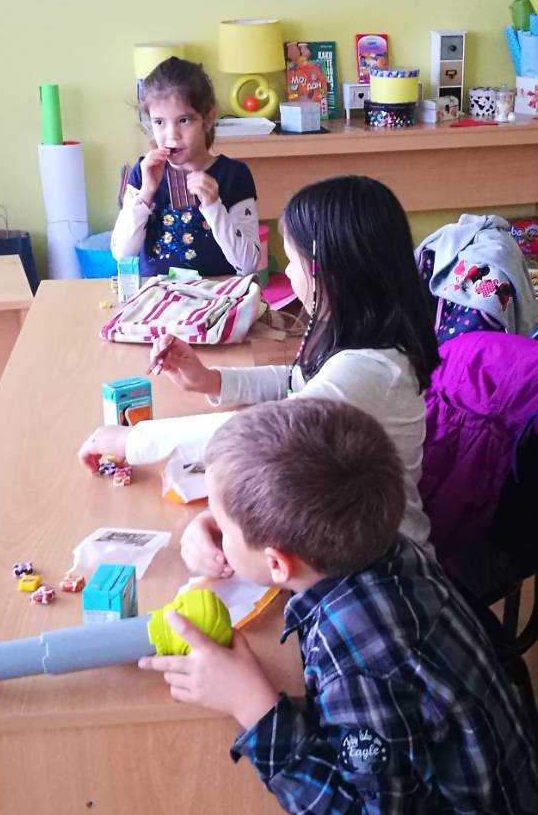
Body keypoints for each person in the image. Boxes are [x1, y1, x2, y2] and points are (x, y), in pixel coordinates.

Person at [141, 398, 538, 815]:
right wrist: (229, 524)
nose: (212, 525)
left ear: (278, 565)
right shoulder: (382, 546)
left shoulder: (360, 658)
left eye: (221, 520)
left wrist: (252, 705)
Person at [83, 175, 439, 566]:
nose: (287, 274)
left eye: (291, 261)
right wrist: (211, 380)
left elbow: (262, 435)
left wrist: (134, 441)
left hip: (384, 564)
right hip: (334, 528)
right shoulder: (353, 338)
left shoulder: (370, 372)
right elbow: (293, 381)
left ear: (323, 272)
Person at [111, 57, 259, 277]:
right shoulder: (142, 174)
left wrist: (213, 206)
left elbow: (248, 265)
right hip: (157, 293)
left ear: (207, 120)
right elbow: (122, 254)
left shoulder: (234, 175)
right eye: (159, 122)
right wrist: (146, 194)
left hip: (216, 293)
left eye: (184, 121)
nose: (172, 135)